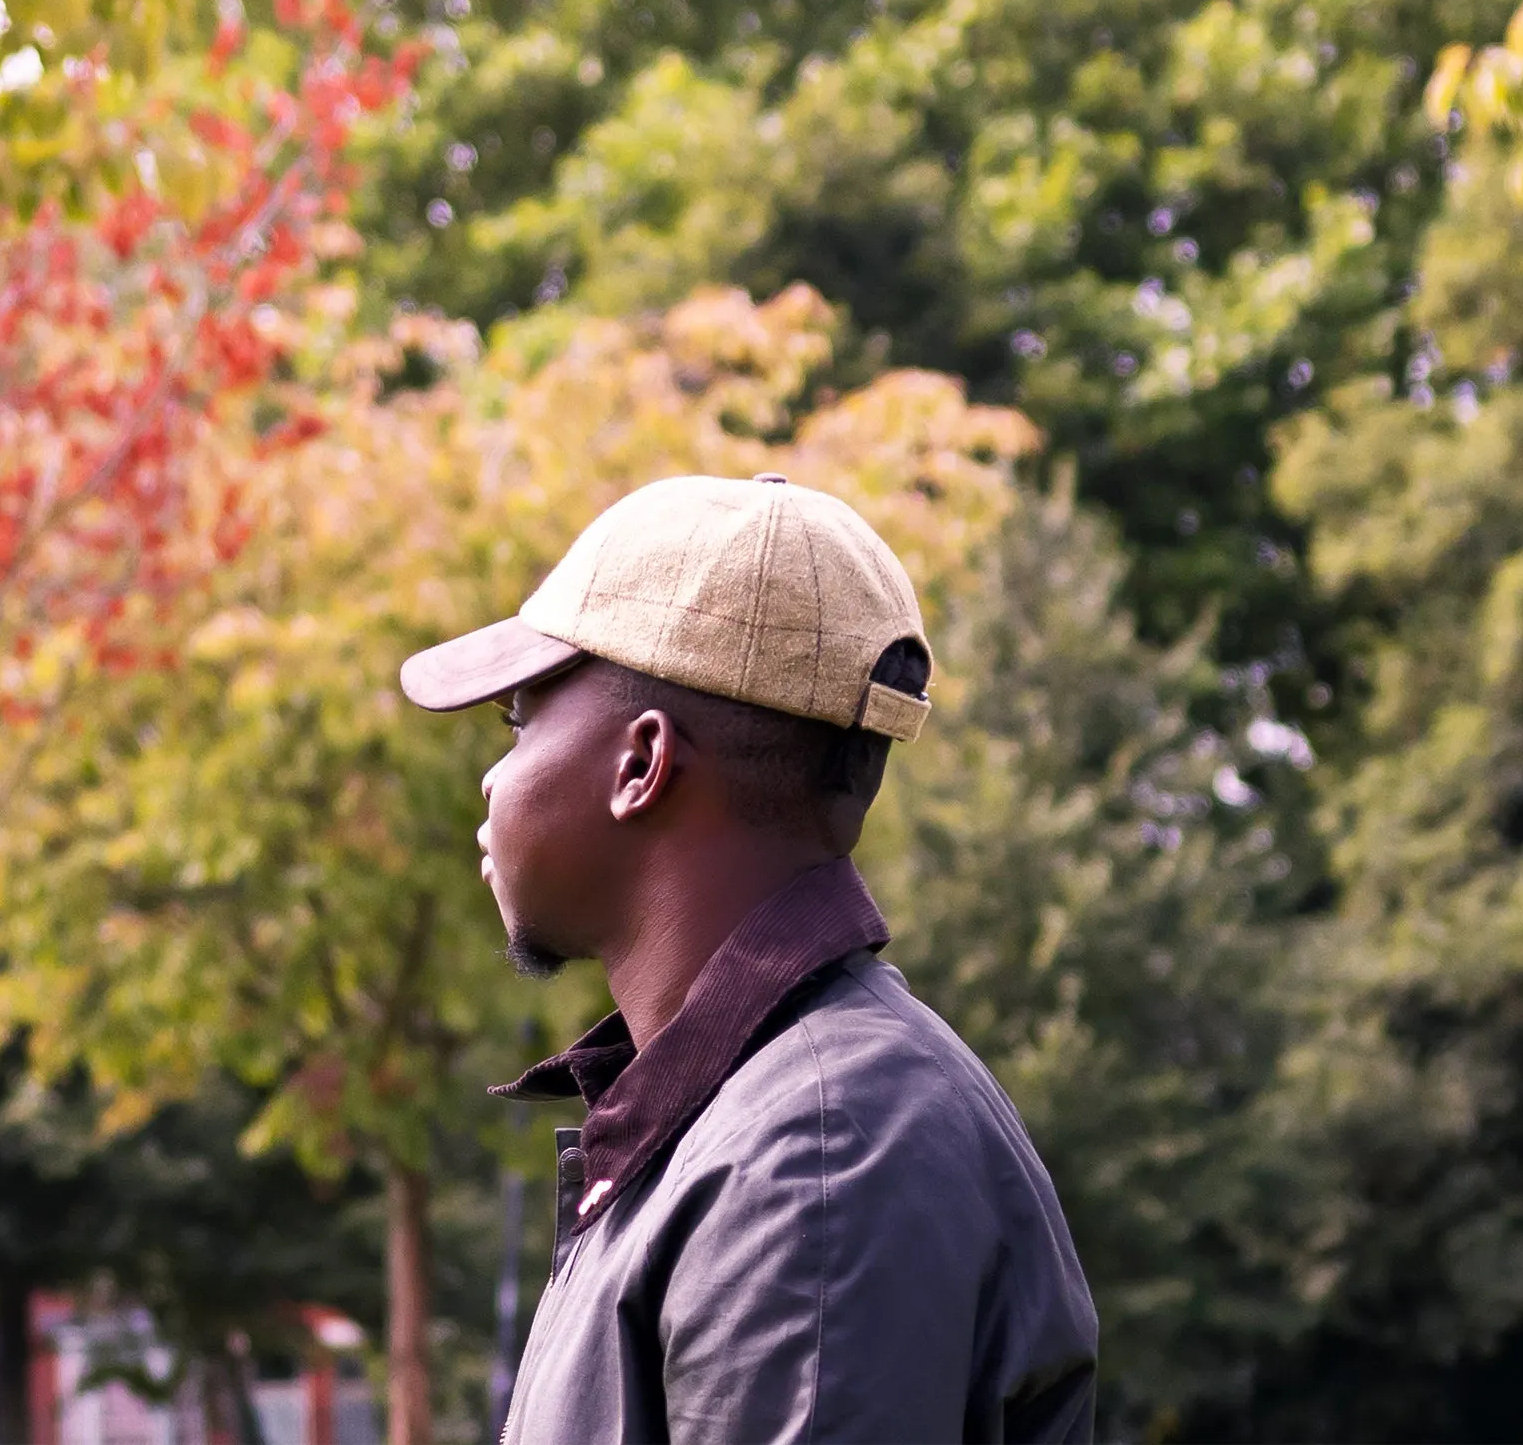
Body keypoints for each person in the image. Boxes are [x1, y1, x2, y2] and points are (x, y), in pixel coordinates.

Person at [399, 473, 1098, 1443]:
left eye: (517, 722)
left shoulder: (817, 1161)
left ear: (640, 766)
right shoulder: (741, 1130)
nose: (492, 775)